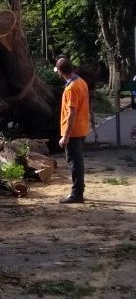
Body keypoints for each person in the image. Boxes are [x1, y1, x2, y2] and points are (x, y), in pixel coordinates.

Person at [54, 56, 90, 204]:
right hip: (81, 128)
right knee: (78, 161)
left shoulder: (71, 88)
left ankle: (76, 194)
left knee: (74, 162)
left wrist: (66, 135)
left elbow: (72, 112)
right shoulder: (81, 83)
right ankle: (79, 189)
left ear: (60, 72)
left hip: (73, 131)